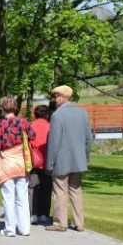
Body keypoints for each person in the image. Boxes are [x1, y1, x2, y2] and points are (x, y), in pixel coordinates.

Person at [45, 85, 92, 232]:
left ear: (62, 97)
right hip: (78, 160)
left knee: (60, 191)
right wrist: (86, 157)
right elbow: (88, 139)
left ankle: (60, 223)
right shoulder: (83, 114)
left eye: (56, 96)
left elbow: (54, 142)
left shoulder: (57, 115)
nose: (55, 99)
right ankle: (79, 223)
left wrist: (49, 163)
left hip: (61, 161)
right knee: (76, 191)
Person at [0, 96, 35, 237]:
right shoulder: (24, 122)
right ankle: (25, 229)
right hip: (22, 163)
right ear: (15, 108)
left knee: (8, 198)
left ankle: (10, 229)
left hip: (6, 163)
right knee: (22, 198)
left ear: (3, 108)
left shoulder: (0, 124)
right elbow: (33, 136)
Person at [28, 104, 52, 224]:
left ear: (35, 114)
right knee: (46, 188)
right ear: (47, 114)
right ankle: (44, 214)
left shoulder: (31, 126)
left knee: (32, 187)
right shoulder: (50, 126)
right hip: (48, 161)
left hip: (34, 162)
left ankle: (32, 214)